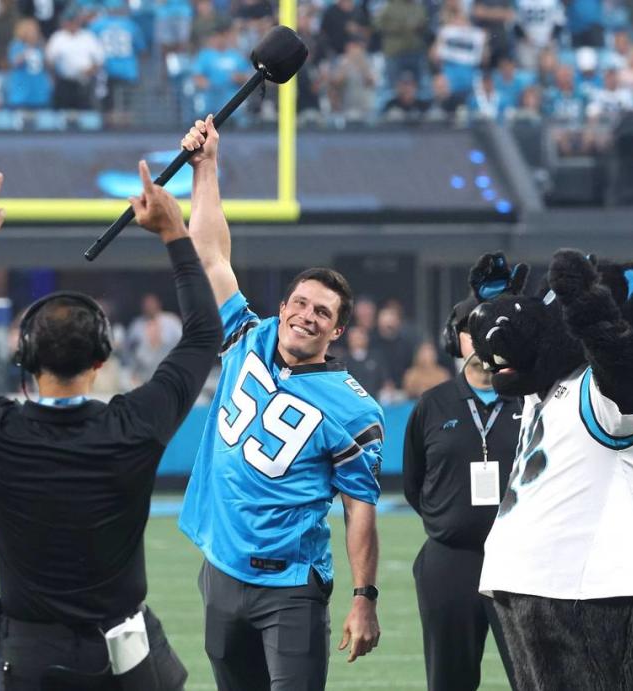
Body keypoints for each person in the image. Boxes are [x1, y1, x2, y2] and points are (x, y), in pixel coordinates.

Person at [0, 164, 222, 689]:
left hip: (28, 657)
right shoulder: (136, 424)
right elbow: (203, 333)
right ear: (101, 360)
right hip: (125, 657)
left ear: (25, 360)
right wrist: (175, 233)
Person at [179, 115, 383, 691]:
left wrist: (364, 597)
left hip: (290, 583)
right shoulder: (250, 336)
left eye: (322, 312)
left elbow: (359, 508)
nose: (305, 315)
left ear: (337, 331)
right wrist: (207, 167)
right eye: (299, 302)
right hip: (220, 568)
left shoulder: (353, 409)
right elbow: (211, 255)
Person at [402, 294, 521, 691]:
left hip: (522, 564)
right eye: (475, 328)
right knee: (449, 681)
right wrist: (452, 522)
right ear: (457, 339)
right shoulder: (431, 405)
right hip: (450, 562)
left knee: (538, 678)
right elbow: (414, 484)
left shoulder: (535, 402)